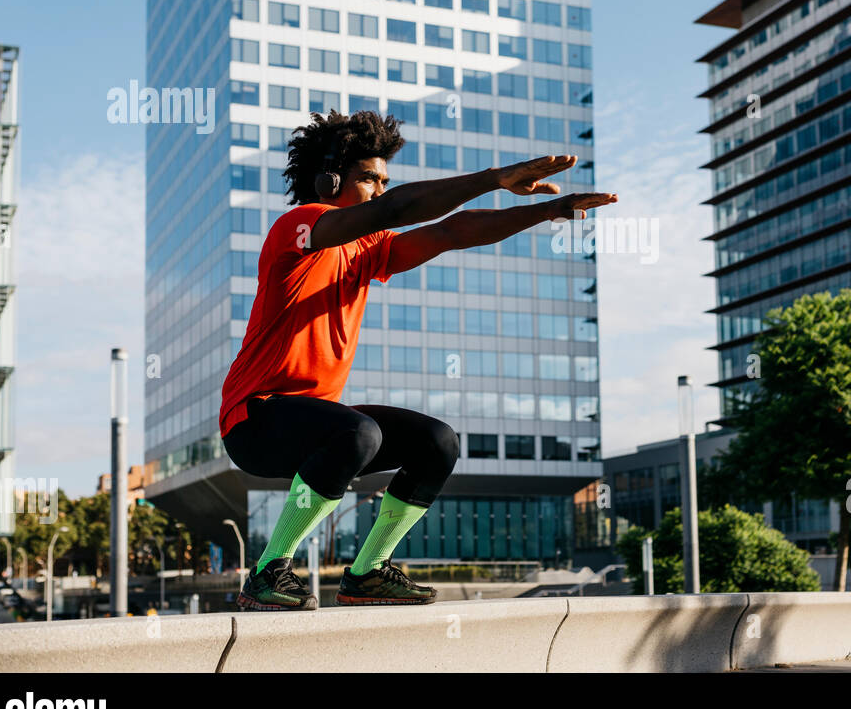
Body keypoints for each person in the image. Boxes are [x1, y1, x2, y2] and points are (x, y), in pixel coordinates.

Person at [221, 109, 617, 611]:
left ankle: (366, 574)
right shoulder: (298, 228)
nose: (381, 190)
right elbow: (397, 210)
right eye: (370, 178)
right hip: (254, 419)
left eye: (386, 180)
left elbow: (451, 232)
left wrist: (542, 213)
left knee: (437, 442)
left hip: (315, 426)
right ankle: (267, 571)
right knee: (357, 432)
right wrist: (495, 178)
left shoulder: (367, 252)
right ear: (330, 178)